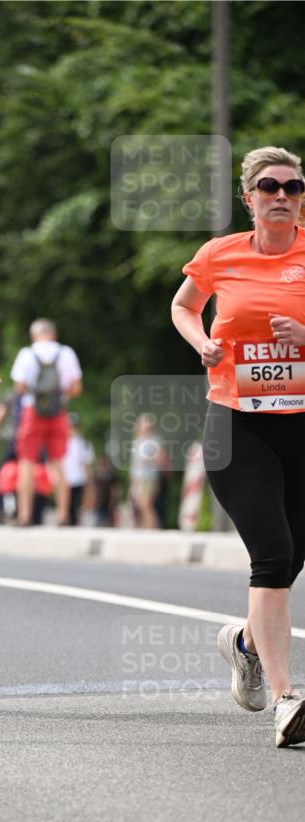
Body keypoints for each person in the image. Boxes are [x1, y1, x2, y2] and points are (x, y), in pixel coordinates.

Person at [171, 145, 305, 748]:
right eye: (270, 186)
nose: (282, 195)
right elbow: (182, 306)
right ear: (248, 198)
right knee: (272, 557)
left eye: (294, 187)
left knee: (294, 554)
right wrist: (200, 340)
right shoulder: (218, 254)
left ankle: (245, 643)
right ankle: (287, 698)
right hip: (236, 424)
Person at [10, 318, 82, 526]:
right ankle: (62, 515)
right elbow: (76, 388)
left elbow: (19, 388)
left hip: (33, 411)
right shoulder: (66, 353)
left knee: (27, 462)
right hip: (58, 411)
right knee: (57, 462)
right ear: (54, 334)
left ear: (34, 335)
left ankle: (24, 515)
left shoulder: (27, 354)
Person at [128, 413, 167, 529]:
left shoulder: (155, 440)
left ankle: (154, 527)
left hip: (149, 477)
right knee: (140, 505)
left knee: (146, 504)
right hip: (139, 477)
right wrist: (132, 478)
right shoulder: (138, 440)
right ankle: (147, 527)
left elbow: (161, 458)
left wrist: (151, 460)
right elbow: (134, 463)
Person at [62, 414, 95, 526]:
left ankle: (74, 525)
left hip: (78, 479)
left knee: (76, 507)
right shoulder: (61, 442)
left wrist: (89, 482)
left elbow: (87, 464)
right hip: (64, 480)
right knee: (66, 506)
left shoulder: (84, 443)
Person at [92, 453, 120, 528]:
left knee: (108, 523)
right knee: (98, 522)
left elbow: (114, 490)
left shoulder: (111, 476)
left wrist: (113, 502)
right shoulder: (97, 475)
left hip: (108, 504)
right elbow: (94, 490)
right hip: (99, 504)